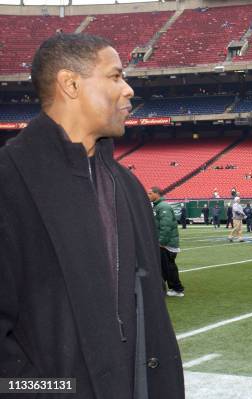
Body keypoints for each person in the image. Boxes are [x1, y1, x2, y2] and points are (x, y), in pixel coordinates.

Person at [0, 33, 183, 398]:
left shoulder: (127, 185)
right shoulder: (8, 180)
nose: (129, 89)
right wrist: (51, 392)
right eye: (116, 76)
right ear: (70, 84)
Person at [148, 187, 185, 297]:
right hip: (162, 242)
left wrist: (162, 241)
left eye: (150, 193)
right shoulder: (158, 206)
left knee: (169, 267)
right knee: (163, 267)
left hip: (166, 244)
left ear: (157, 194)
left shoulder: (163, 207)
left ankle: (177, 288)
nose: (148, 195)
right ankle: (161, 288)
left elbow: (166, 225)